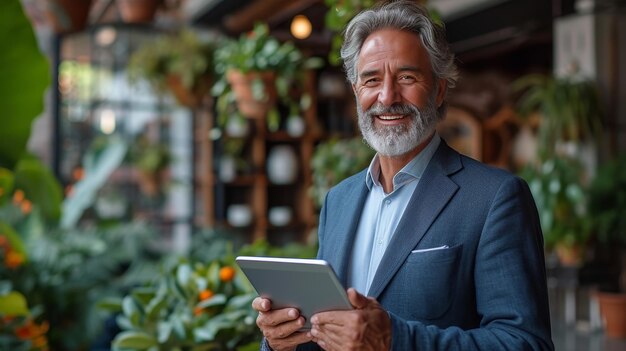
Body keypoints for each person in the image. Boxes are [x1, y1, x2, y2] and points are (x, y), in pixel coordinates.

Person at [252, 1, 554, 350]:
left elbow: (525, 343)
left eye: (407, 77)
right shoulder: (338, 200)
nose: (387, 97)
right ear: (355, 91)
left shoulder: (495, 198)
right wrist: (281, 339)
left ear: (439, 89)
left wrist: (395, 339)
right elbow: (326, 332)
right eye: (371, 80)